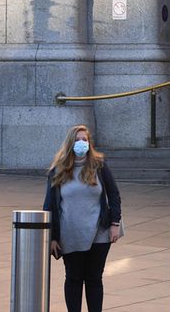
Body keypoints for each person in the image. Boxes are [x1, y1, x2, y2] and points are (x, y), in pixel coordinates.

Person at [42, 124, 122, 312]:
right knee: (74, 277)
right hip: (70, 233)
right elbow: (49, 205)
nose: (81, 143)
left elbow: (114, 194)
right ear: (70, 143)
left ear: (89, 143)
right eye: (77, 140)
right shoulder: (58, 170)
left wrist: (115, 223)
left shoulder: (99, 165)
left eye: (84, 139)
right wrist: (52, 236)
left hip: (99, 231)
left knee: (94, 278)